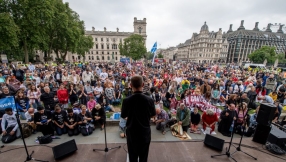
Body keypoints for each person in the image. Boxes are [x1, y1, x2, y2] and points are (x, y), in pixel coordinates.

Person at [121, 75, 156, 162]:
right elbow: (153, 115)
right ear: (143, 85)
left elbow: (123, 115)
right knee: (143, 157)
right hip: (145, 132)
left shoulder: (126, 100)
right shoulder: (150, 100)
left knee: (132, 157)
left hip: (132, 133)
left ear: (131, 85)